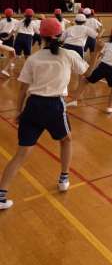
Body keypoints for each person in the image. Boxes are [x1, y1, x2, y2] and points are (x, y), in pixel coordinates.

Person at [0, 18, 89, 210]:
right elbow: (85, 73)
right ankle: (64, 177)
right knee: (66, 140)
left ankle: (1, 195)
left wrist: (19, 112)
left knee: (21, 153)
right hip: (55, 106)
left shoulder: (33, 58)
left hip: (32, 106)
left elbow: (22, 89)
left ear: (41, 36)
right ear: (60, 35)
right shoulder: (69, 54)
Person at [68, 27, 112, 113]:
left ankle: (74, 100)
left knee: (85, 80)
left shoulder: (107, 44)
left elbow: (98, 55)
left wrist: (91, 63)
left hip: (103, 67)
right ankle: (109, 107)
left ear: (111, 36)